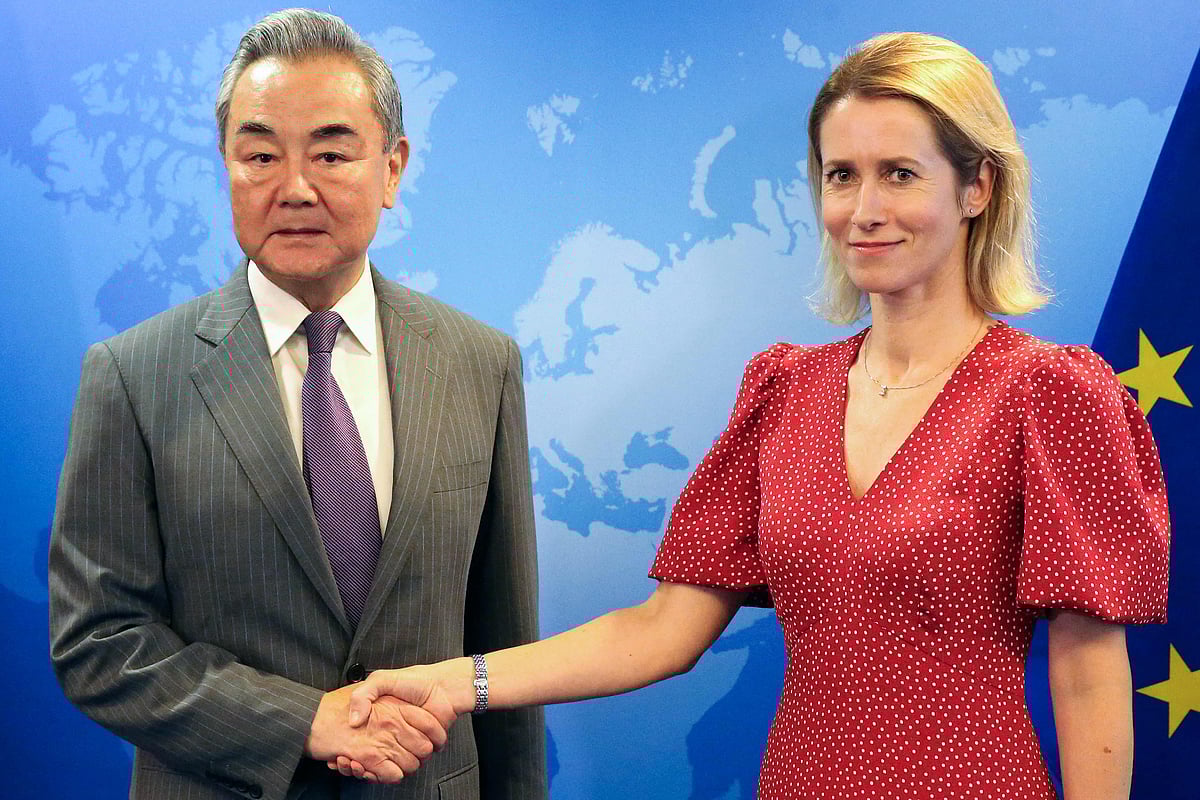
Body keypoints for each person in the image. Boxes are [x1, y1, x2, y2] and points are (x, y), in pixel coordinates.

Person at [341, 32, 1170, 799]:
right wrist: (454, 683)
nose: (864, 208)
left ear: (977, 186)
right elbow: (664, 630)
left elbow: (1088, 672)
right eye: (841, 174)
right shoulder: (785, 393)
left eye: (901, 173)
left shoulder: (1053, 394)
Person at [48, 9, 545, 800]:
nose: (295, 187)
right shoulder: (133, 375)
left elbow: (504, 650)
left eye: (332, 151)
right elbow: (100, 642)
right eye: (259, 155)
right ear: (226, 167)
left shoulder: (478, 364)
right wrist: (301, 720)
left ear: (392, 169)